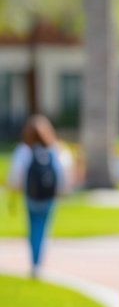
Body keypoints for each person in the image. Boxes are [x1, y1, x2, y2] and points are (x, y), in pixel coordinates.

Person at [6, 114, 72, 278]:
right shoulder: (54, 151)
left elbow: (15, 177)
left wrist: (15, 191)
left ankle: (34, 263)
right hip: (48, 198)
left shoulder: (23, 151)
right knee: (43, 229)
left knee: (33, 228)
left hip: (31, 197)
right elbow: (62, 174)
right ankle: (38, 262)